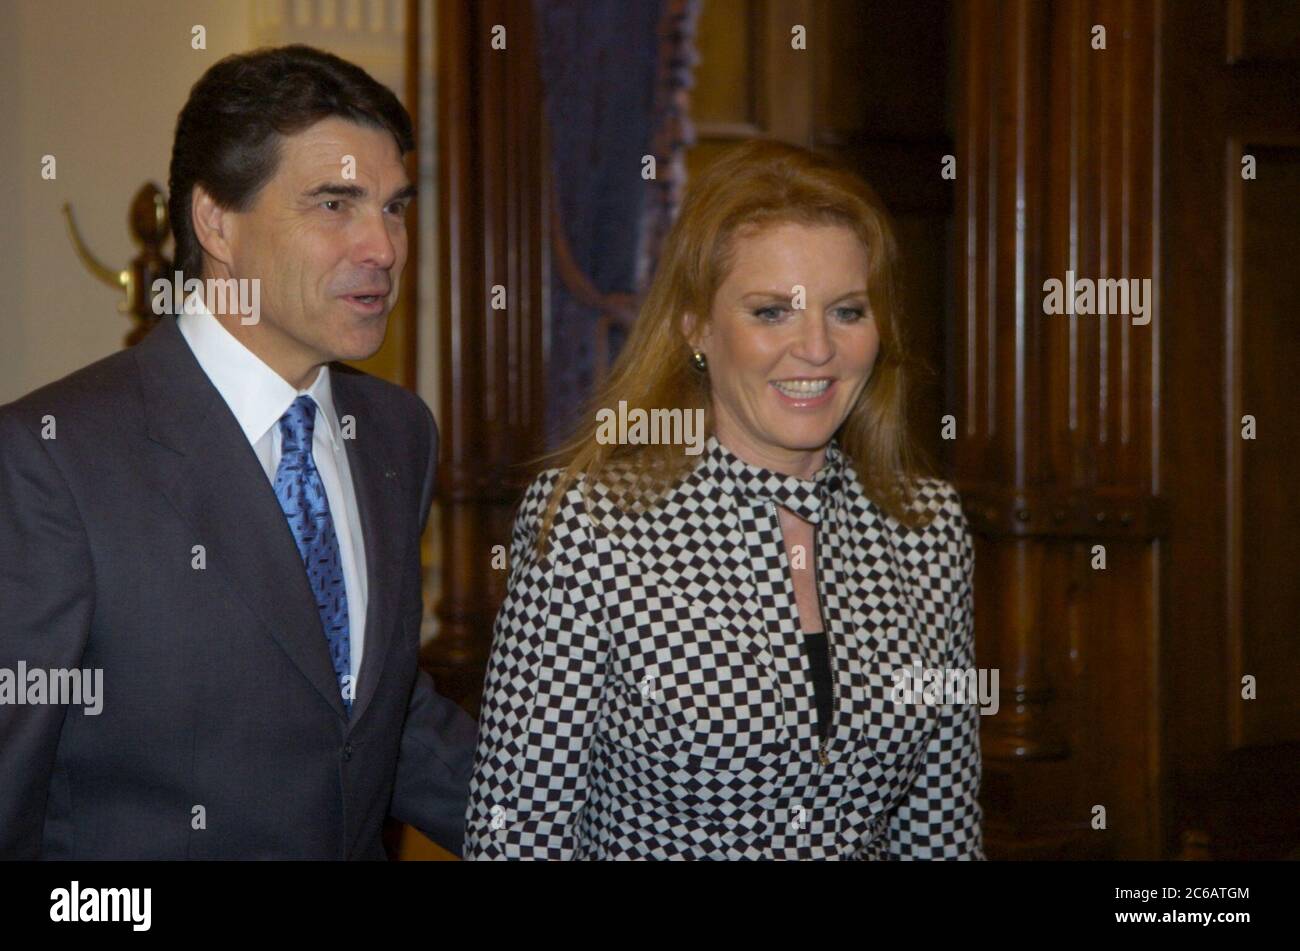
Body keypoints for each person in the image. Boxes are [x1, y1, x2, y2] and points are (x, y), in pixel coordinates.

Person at [0, 45, 476, 859]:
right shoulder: (52, 460)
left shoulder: (398, 432)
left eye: (394, 207)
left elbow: (374, 716)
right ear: (216, 221)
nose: (385, 248)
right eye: (336, 204)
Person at [465, 140, 984, 860]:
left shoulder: (927, 531)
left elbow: (944, 828)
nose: (816, 349)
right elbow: (517, 836)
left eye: (847, 311)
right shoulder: (593, 524)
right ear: (696, 328)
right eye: (772, 311)